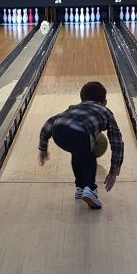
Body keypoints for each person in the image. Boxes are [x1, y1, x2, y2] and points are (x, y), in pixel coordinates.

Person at [38, 81, 124, 209]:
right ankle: (90, 189)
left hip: (58, 131)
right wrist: (114, 170)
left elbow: (50, 121)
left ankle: (80, 187)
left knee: (78, 152)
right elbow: (116, 141)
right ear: (104, 102)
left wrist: (43, 147)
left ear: (81, 99)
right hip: (80, 133)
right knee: (89, 155)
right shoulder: (106, 112)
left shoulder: (73, 107)